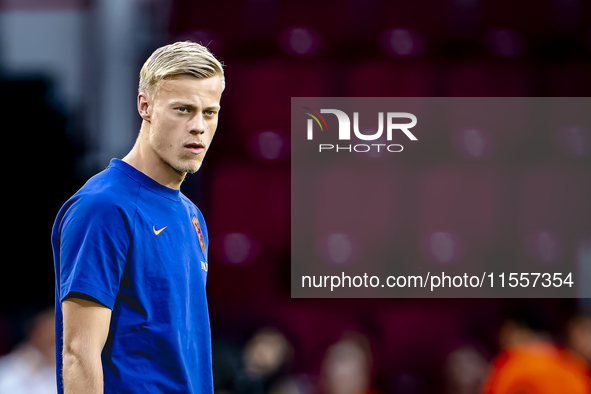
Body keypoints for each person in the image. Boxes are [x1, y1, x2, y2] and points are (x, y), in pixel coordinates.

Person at [51, 41, 225, 394]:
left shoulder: (192, 216)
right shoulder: (103, 208)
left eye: (209, 112)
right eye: (183, 110)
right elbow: (78, 354)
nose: (198, 126)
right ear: (144, 106)